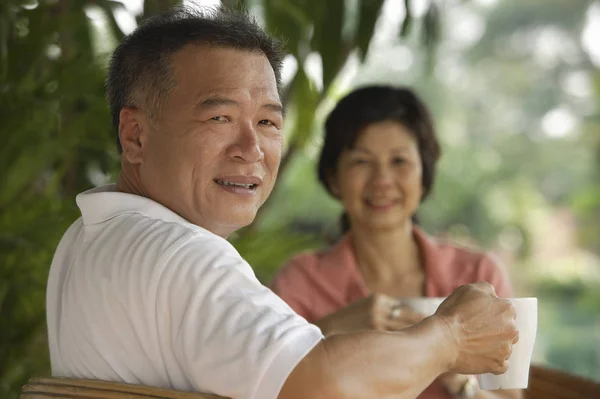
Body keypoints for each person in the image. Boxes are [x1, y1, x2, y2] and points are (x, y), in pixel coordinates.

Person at [46, 7, 519, 399]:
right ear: (136, 135)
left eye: (269, 123)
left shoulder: (86, 239)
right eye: (219, 116)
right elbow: (324, 384)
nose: (251, 148)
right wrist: (450, 337)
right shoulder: (181, 257)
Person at [270, 86, 522, 399]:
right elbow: (270, 387)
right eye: (362, 161)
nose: (382, 180)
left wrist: (451, 365)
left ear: (424, 173)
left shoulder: (479, 275)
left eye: (399, 161)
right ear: (334, 177)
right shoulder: (300, 281)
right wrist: (331, 330)